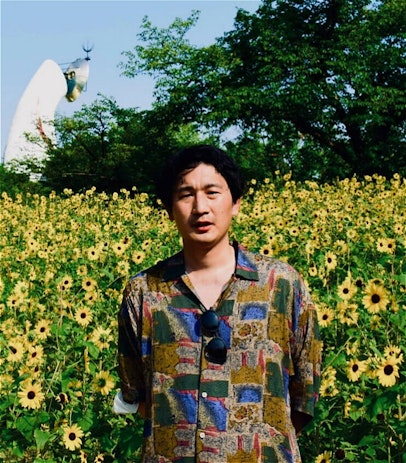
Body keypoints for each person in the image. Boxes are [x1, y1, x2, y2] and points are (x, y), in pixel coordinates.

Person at [114, 144, 321, 463]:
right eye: (185, 195)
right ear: (169, 209)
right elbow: (136, 395)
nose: (200, 207)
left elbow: (305, 393)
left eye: (212, 192)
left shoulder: (281, 284)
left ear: (236, 203)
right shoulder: (143, 292)